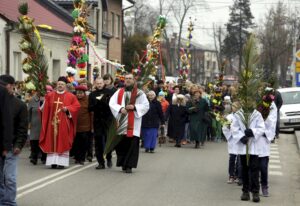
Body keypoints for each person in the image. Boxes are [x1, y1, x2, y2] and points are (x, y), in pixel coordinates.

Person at [109, 73, 149, 173]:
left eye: (130, 78)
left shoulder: (140, 93)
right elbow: (112, 103)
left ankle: (129, 166)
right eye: (126, 78)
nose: (128, 80)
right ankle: (123, 163)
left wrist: (135, 107)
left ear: (134, 80)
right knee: (121, 145)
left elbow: (145, 105)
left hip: (134, 124)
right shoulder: (119, 92)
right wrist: (120, 108)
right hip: (122, 122)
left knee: (132, 145)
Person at [39, 76, 80, 169]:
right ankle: (53, 162)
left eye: (62, 84)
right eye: (59, 84)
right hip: (52, 123)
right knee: (51, 141)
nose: (60, 86)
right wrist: (41, 105)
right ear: (56, 85)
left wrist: (68, 109)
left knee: (62, 141)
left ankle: (61, 163)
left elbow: (76, 106)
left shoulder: (71, 96)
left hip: (64, 124)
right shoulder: (50, 95)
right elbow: (44, 108)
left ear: (65, 86)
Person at [0, 75, 28, 206]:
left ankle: (9, 202)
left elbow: (22, 128)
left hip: (12, 146)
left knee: (9, 178)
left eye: (4, 85)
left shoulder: (20, 105)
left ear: (11, 86)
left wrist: (18, 145)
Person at [232, 102, 265, 203]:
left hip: (253, 145)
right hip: (243, 146)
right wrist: (241, 137)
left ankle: (255, 192)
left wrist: (253, 131)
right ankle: (245, 191)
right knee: (244, 169)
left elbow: (261, 128)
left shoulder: (257, 114)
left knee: (254, 169)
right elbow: (234, 128)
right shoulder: (238, 114)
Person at [89, 78, 115, 169]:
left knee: (108, 140)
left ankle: (109, 158)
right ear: (95, 84)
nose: (99, 85)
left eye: (100, 83)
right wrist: (97, 103)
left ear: (104, 83)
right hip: (98, 120)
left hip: (108, 120)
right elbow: (90, 108)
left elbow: (113, 105)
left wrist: (105, 101)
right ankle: (101, 162)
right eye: (97, 83)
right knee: (98, 142)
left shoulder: (109, 92)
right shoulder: (92, 94)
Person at [257, 88, 278, 197]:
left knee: (263, 167)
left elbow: (272, 122)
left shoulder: (273, 106)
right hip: (255, 141)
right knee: (254, 168)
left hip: (264, 140)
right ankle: (254, 187)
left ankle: (264, 186)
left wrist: (266, 132)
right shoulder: (257, 105)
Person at [222, 102, 242, 184]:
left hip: (239, 139)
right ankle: (231, 175)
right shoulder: (229, 117)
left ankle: (237, 175)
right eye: (233, 106)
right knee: (232, 158)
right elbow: (224, 128)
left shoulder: (242, 117)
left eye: (235, 106)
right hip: (232, 140)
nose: (233, 108)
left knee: (239, 159)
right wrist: (229, 131)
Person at [73, 85, 92, 165]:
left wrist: (91, 126)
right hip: (75, 126)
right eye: (78, 93)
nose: (79, 94)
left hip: (85, 126)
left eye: (81, 93)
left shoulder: (88, 100)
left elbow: (91, 114)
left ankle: (82, 158)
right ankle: (77, 158)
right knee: (76, 143)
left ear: (84, 93)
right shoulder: (73, 100)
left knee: (84, 143)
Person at [28, 91, 46, 165]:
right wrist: (28, 123)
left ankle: (44, 157)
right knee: (34, 141)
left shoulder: (48, 99)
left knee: (44, 140)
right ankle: (34, 157)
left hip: (44, 123)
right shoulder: (32, 100)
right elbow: (29, 112)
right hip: (35, 123)